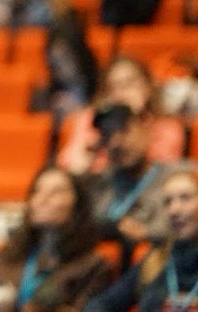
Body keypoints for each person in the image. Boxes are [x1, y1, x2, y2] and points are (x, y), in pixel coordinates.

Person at [0, 167, 111, 312]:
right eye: (37, 191)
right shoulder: (9, 253)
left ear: (77, 204)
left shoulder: (93, 266)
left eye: (56, 192)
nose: (43, 199)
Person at [83, 168, 198, 312]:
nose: (174, 210)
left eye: (185, 198)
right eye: (167, 202)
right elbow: (103, 304)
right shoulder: (157, 258)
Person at [58, 56, 184, 174]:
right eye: (115, 86)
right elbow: (69, 163)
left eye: (129, 83)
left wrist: (134, 119)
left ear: (147, 86)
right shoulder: (93, 119)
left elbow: (158, 169)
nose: (123, 92)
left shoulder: (166, 125)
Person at [80, 104, 174, 248]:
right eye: (107, 135)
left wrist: (148, 233)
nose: (115, 143)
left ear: (145, 129)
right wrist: (87, 162)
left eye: (124, 130)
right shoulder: (99, 184)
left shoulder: (174, 178)